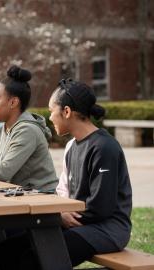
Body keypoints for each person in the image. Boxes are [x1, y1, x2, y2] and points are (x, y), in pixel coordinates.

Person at [49, 78, 132, 266]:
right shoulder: (72, 146)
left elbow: (100, 208)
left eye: (51, 111)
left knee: (40, 253)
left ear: (67, 111)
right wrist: (59, 213)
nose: (50, 117)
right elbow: (64, 193)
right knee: (13, 246)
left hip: (107, 229)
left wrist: (62, 217)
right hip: (81, 224)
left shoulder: (104, 147)